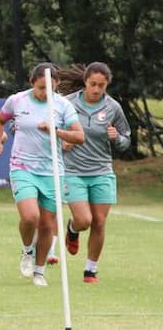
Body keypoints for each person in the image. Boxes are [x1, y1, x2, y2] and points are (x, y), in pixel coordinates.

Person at [0, 62, 84, 287]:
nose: (45, 93)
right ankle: (26, 250)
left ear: (57, 85)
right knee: (30, 216)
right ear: (33, 83)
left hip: (52, 172)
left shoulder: (62, 106)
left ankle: (39, 271)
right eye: (41, 87)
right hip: (22, 167)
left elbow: (79, 136)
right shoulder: (17, 100)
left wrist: (56, 131)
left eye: (50, 88)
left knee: (46, 224)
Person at [58, 62, 131, 284]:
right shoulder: (67, 104)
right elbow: (51, 134)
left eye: (101, 85)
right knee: (84, 219)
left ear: (107, 85)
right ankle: (72, 229)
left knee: (99, 222)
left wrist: (116, 137)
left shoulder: (113, 108)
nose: (97, 89)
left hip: (102, 171)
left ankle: (90, 270)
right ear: (85, 82)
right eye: (93, 84)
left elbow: (126, 141)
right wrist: (63, 142)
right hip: (73, 171)